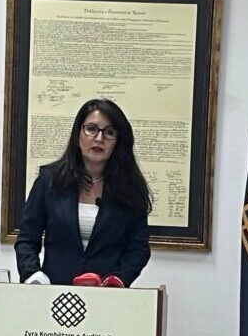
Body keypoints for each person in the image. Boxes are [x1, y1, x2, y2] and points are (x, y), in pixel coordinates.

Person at [15, 98, 152, 287]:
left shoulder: (131, 188)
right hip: (54, 291)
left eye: (109, 132)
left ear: (118, 141)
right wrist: (32, 274)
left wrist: (120, 279)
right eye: (91, 129)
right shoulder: (49, 180)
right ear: (78, 133)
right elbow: (27, 239)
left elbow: (138, 248)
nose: (99, 138)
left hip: (107, 293)